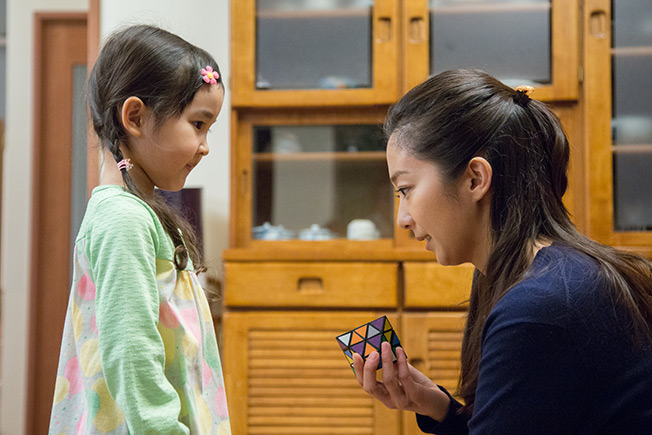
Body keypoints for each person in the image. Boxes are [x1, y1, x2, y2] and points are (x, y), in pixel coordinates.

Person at [353, 69, 652, 434]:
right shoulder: (550, 276)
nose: (403, 219)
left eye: (405, 189)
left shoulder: (537, 308)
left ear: (475, 179)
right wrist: (439, 408)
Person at [48, 25, 231, 434]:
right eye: (197, 124)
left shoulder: (140, 214)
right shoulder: (122, 219)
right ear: (135, 117)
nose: (205, 146)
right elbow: (132, 351)